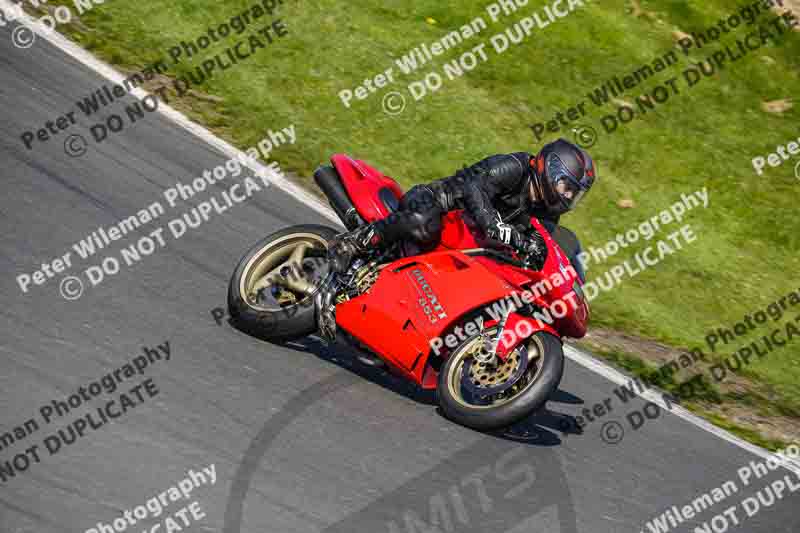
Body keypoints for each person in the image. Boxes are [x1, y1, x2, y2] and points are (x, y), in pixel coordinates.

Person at [327, 138, 596, 279]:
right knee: (422, 225)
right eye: (567, 188)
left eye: (575, 194)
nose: (569, 196)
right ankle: (352, 244)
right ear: (552, 171)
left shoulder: (549, 213)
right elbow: (473, 187)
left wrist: (538, 256)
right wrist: (494, 225)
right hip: (440, 205)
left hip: (470, 244)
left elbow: (540, 243)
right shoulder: (515, 167)